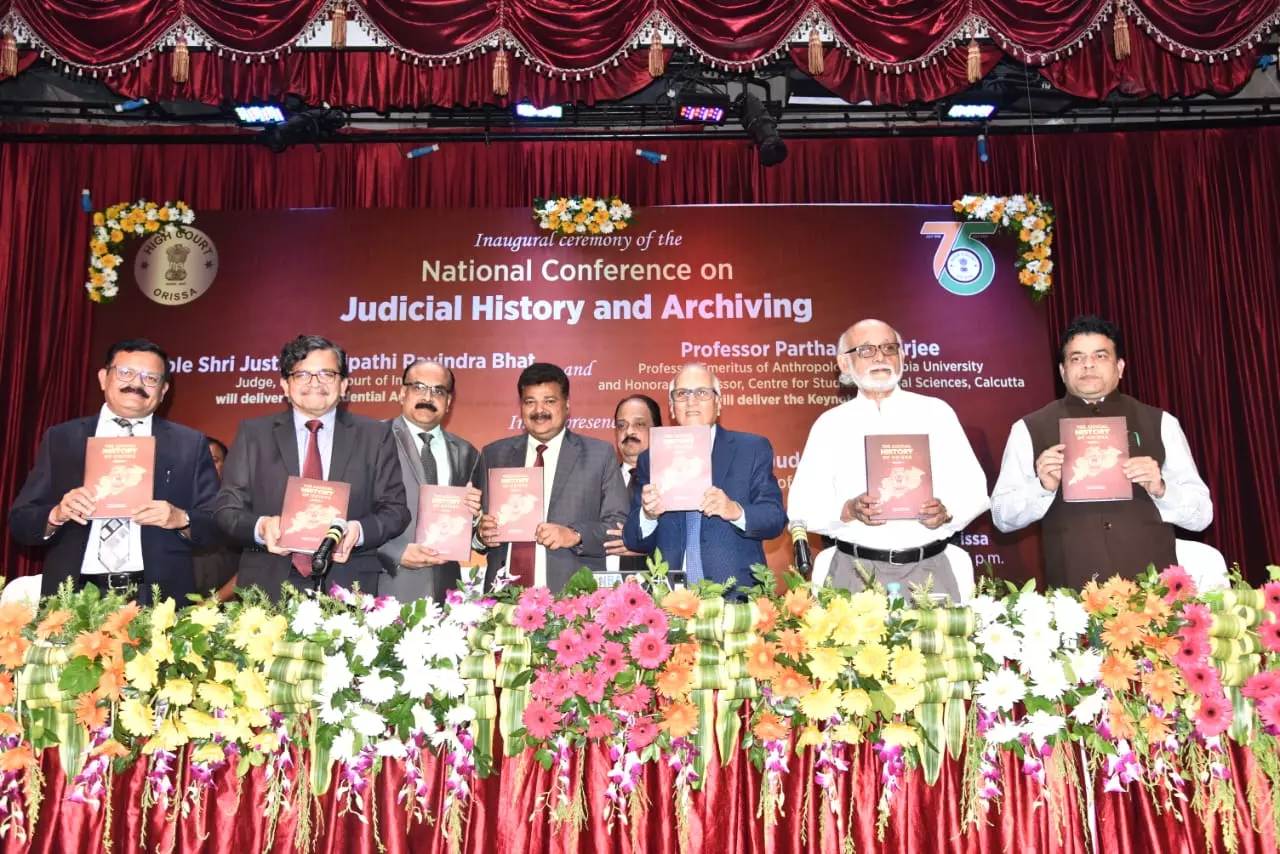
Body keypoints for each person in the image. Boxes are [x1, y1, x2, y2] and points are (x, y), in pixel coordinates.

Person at [991, 315, 1212, 588]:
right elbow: (1002, 517)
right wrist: (1042, 487)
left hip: (1153, 597)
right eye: (1076, 358)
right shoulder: (1029, 428)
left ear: (1120, 367)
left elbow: (1203, 516)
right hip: (1073, 598)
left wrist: (1162, 488)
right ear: (1062, 371)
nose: (1088, 364)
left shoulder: (1161, 423)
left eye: (1100, 356)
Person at [788, 319, 989, 601]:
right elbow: (801, 507)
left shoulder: (937, 413)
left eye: (889, 348)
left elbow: (975, 491)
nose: (880, 357)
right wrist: (848, 510)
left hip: (930, 569)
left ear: (902, 356)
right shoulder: (830, 424)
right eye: (866, 350)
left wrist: (947, 513)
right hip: (853, 573)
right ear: (844, 363)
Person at [8, 338, 220, 604]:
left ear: (163, 390)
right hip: (73, 595)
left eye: (150, 378)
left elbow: (217, 523)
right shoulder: (63, 438)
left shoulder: (189, 443)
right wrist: (57, 514)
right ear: (103, 378)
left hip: (156, 598)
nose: (137, 384)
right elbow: (21, 520)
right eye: (125, 372)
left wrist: (181, 518)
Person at [213, 335, 410, 599]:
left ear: (344, 385)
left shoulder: (375, 436)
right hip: (266, 583)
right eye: (302, 374)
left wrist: (358, 532)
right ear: (285, 385)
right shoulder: (254, 434)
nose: (315, 383)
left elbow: (395, 510)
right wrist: (261, 527)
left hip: (347, 582)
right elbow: (226, 509)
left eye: (327, 374)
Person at [623, 363, 786, 589]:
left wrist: (735, 511)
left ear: (718, 403)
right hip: (670, 597)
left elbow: (775, 518)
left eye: (702, 392)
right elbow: (633, 539)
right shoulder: (651, 458)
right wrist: (648, 516)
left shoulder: (751, 449)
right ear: (671, 407)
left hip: (736, 595)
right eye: (682, 394)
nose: (691, 401)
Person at [476, 363, 628, 592]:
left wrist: (575, 535)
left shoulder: (599, 455)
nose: (539, 410)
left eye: (549, 401)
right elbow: (475, 529)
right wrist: (481, 534)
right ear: (520, 406)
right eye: (530, 402)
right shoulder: (494, 454)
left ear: (567, 405)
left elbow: (619, 525)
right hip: (503, 600)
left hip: (572, 598)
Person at [377, 359, 482, 602]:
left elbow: (472, 531)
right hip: (387, 587)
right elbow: (352, 511)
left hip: (446, 592)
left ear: (449, 401)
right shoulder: (374, 439)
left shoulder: (466, 452)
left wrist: (478, 520)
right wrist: (394, 552)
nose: (428, 397)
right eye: (418, 387)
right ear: (402, 393)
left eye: (438, 391)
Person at [604, 395, 662, 581]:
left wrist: (639, 542)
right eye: (621, 425)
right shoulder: (599, 482)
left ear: (657, 430)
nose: (629, 431)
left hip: (662, 587)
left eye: (640, 424)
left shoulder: (676, 482)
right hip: (604, 589)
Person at [191, 437, 241, 600]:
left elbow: (254, 564)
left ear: (227, 465)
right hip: (178, 606)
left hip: (232, 605)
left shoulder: (242, 506)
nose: (205, 467)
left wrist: (213, 602)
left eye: (213, 460)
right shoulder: (171, 507)